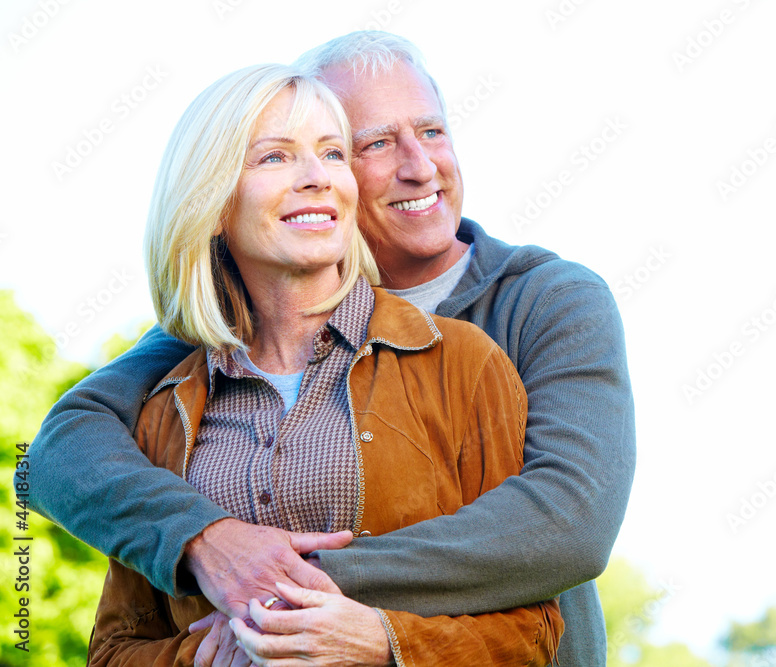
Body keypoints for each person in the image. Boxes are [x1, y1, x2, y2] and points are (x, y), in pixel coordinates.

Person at [29, 32, 635, 666]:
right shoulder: (223, 336)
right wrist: (205, 541)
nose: (420, 166)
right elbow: (58, 451)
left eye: (431, 131)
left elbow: (570, 522)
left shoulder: (541, 303)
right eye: (375, 143)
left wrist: (281, 589)